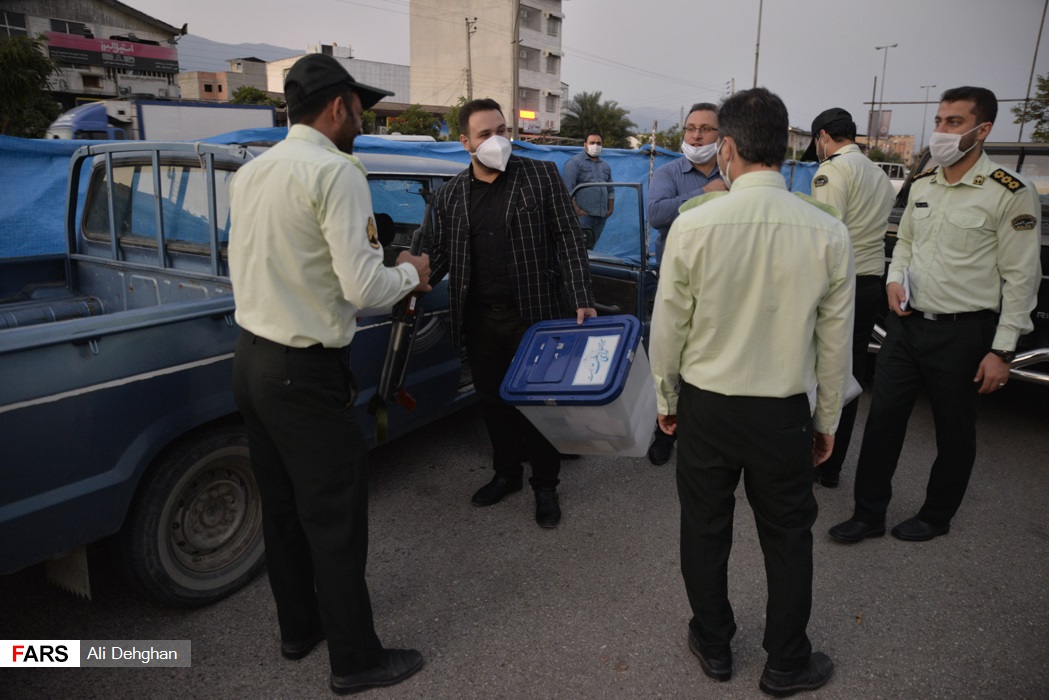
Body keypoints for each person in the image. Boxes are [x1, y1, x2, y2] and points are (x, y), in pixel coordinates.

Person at [228, 54, 431, 695]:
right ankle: (355, 661)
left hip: (253, 360)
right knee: (335, 519)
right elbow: (366, 285)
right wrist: (414, 275)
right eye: (360, 110)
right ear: (339, 107)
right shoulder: (336, 172)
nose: (361, 122)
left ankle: (300, 630)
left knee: (284, 511)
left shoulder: (253, 172)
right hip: (305, 374)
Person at [650, 87, 852, 696]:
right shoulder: (826, 232)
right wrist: (826, 420)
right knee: (789, 535)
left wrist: (666, 401)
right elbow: (832, 346)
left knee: (705, 527)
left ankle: (714, 643)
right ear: (788, 149)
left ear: (728, 147)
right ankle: (787, 660)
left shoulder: (695, 225)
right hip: (784, 411)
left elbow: (668, 329)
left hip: (707, 406)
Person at [829, 86, 1042, 544]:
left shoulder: (1010, 192)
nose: (941, 131)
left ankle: (935, 515)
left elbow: (1022, 278)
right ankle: (868, 514)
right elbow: (904, 242)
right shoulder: (924, 183)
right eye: (940, 121)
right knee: (882, 420)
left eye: (954, 123)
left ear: (982, 130)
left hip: (964, 333)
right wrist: (893, 278)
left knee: (955, 431)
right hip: (906, 327)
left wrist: (1002, 350)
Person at [429, 98, 597, 528]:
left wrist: (581, 294)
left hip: (535, 316)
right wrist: (405, 281)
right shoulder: (450, 196)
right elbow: (440, 256)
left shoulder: (539, 176)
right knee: (495, 402)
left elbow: (568, 238)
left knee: (538, 403)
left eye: (502, 130)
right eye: (486, 134)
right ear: (464, 141)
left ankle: (545, 486)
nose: (498, 140)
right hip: (481, 319)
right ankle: (507, 474)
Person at [802, 108, 895, 488]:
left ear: (823, 136)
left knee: (818, 367)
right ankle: (832, 465)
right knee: (852, 374)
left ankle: (810, 455)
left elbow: (827, 233)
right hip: (870, 282)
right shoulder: (879, 174)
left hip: (838, 285)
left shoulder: (833, 171)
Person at [645, 102, 725, 466]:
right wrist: (704, 194)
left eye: (705, 129)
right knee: (669, 355)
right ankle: (663, 430)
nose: (695, 135)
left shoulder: (734, 174)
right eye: (690, 128)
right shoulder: (669, 172)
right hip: (676, 278)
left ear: (721, 135)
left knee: (712, 358)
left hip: (721, 281)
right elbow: (657, 214)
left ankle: (705, 434)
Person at [562, 129, 615, 249]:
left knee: (591, 248)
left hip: (601, 216)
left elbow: (610, 188)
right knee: (578, 247)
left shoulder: (605, 165)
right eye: (592, 143)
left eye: (599, 143)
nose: (595, 146)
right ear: (585, 144)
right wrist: (576, 210)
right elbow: (567, 188)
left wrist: (610, 208)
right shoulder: (574, 163)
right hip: (583, 216)